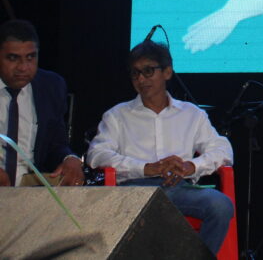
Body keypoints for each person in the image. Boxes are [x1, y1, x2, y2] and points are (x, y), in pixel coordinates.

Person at [86, 40, 234, 255]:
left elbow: (222, 150)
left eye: (148, 71)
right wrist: (146, 168)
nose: (141, 79)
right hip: (134, 190)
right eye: (135, 73)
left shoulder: (192, 114)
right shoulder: (118, 115)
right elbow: (96, 154)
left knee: (220, 206)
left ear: (167, 72)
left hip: (178, 188)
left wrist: (190, 166)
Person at [0, 19, 85, 187]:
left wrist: (69, 158)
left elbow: (56, 144)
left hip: (30, 182)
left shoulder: (51, 86)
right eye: (13, 58)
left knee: (75, 184)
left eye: (30, 57)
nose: (23, 67)